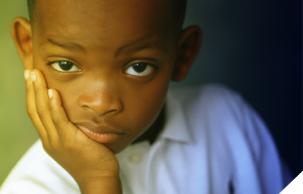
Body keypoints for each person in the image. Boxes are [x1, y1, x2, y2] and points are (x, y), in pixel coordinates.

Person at [0, 0, 291, 193]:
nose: (101, 104)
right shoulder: (30, 187)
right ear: (29, 48)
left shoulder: (227, 119)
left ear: (182, 55)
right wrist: (98, 182)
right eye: (66, 65)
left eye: (138, 67)